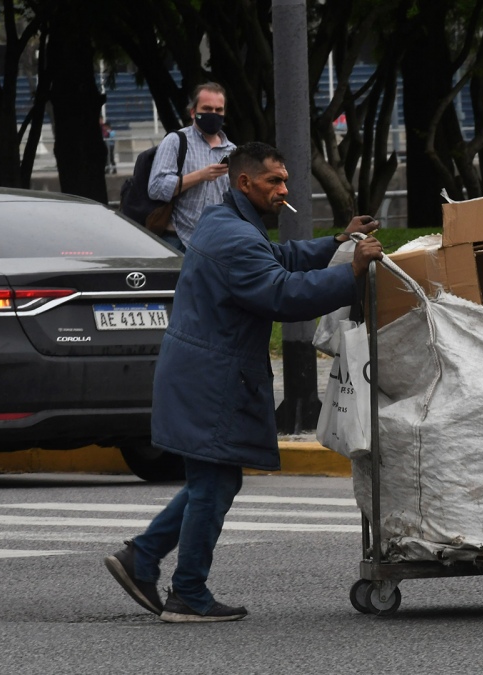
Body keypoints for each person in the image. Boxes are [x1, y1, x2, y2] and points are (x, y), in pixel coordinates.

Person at [104, 141, 384, 622]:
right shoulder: (235, 238)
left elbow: (279, 256)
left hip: (203, 370)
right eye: (274, 182)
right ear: (244, 183)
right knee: (213, 483)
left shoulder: (225, 223)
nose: (284, 190)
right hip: (212, 377)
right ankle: (188, 592)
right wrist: (352, 273)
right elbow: (280, 293)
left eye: (286, 181)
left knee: (212, 479)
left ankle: (142, 556)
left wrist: (338, 243)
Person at [147, 82, 237, 253]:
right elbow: (156, 187)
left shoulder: (232, 151)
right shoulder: (176, 141)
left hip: (215, 243)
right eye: (207, 108)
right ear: (193, 112)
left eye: (219, 110)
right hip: (178, 240)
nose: (213, 114)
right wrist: (200, 176)